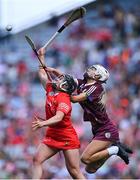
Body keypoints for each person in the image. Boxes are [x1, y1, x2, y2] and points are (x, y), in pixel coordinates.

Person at [46, 63, 133, 173]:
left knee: (85, 158)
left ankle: (115, 149)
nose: (89, 69)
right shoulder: (83, 83)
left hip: (106, 129)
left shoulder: (96, 87)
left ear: (97, 76)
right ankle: (113, 147)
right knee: (90, 169)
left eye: (93, 69)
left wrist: (61, 91)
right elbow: (68, 79)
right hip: (97, 129)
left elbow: (75, 99)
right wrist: (53, 70)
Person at [32, 48, 85, 179]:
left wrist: (43, 123)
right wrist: (41, 57)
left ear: (65, 86)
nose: (57, 78)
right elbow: (42, 74)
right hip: (53, 134)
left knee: (74, 172)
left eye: (60, 79)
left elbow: (59, 117)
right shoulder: (51, 88)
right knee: (36, 160)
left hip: (66, 136)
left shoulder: (64, 99)